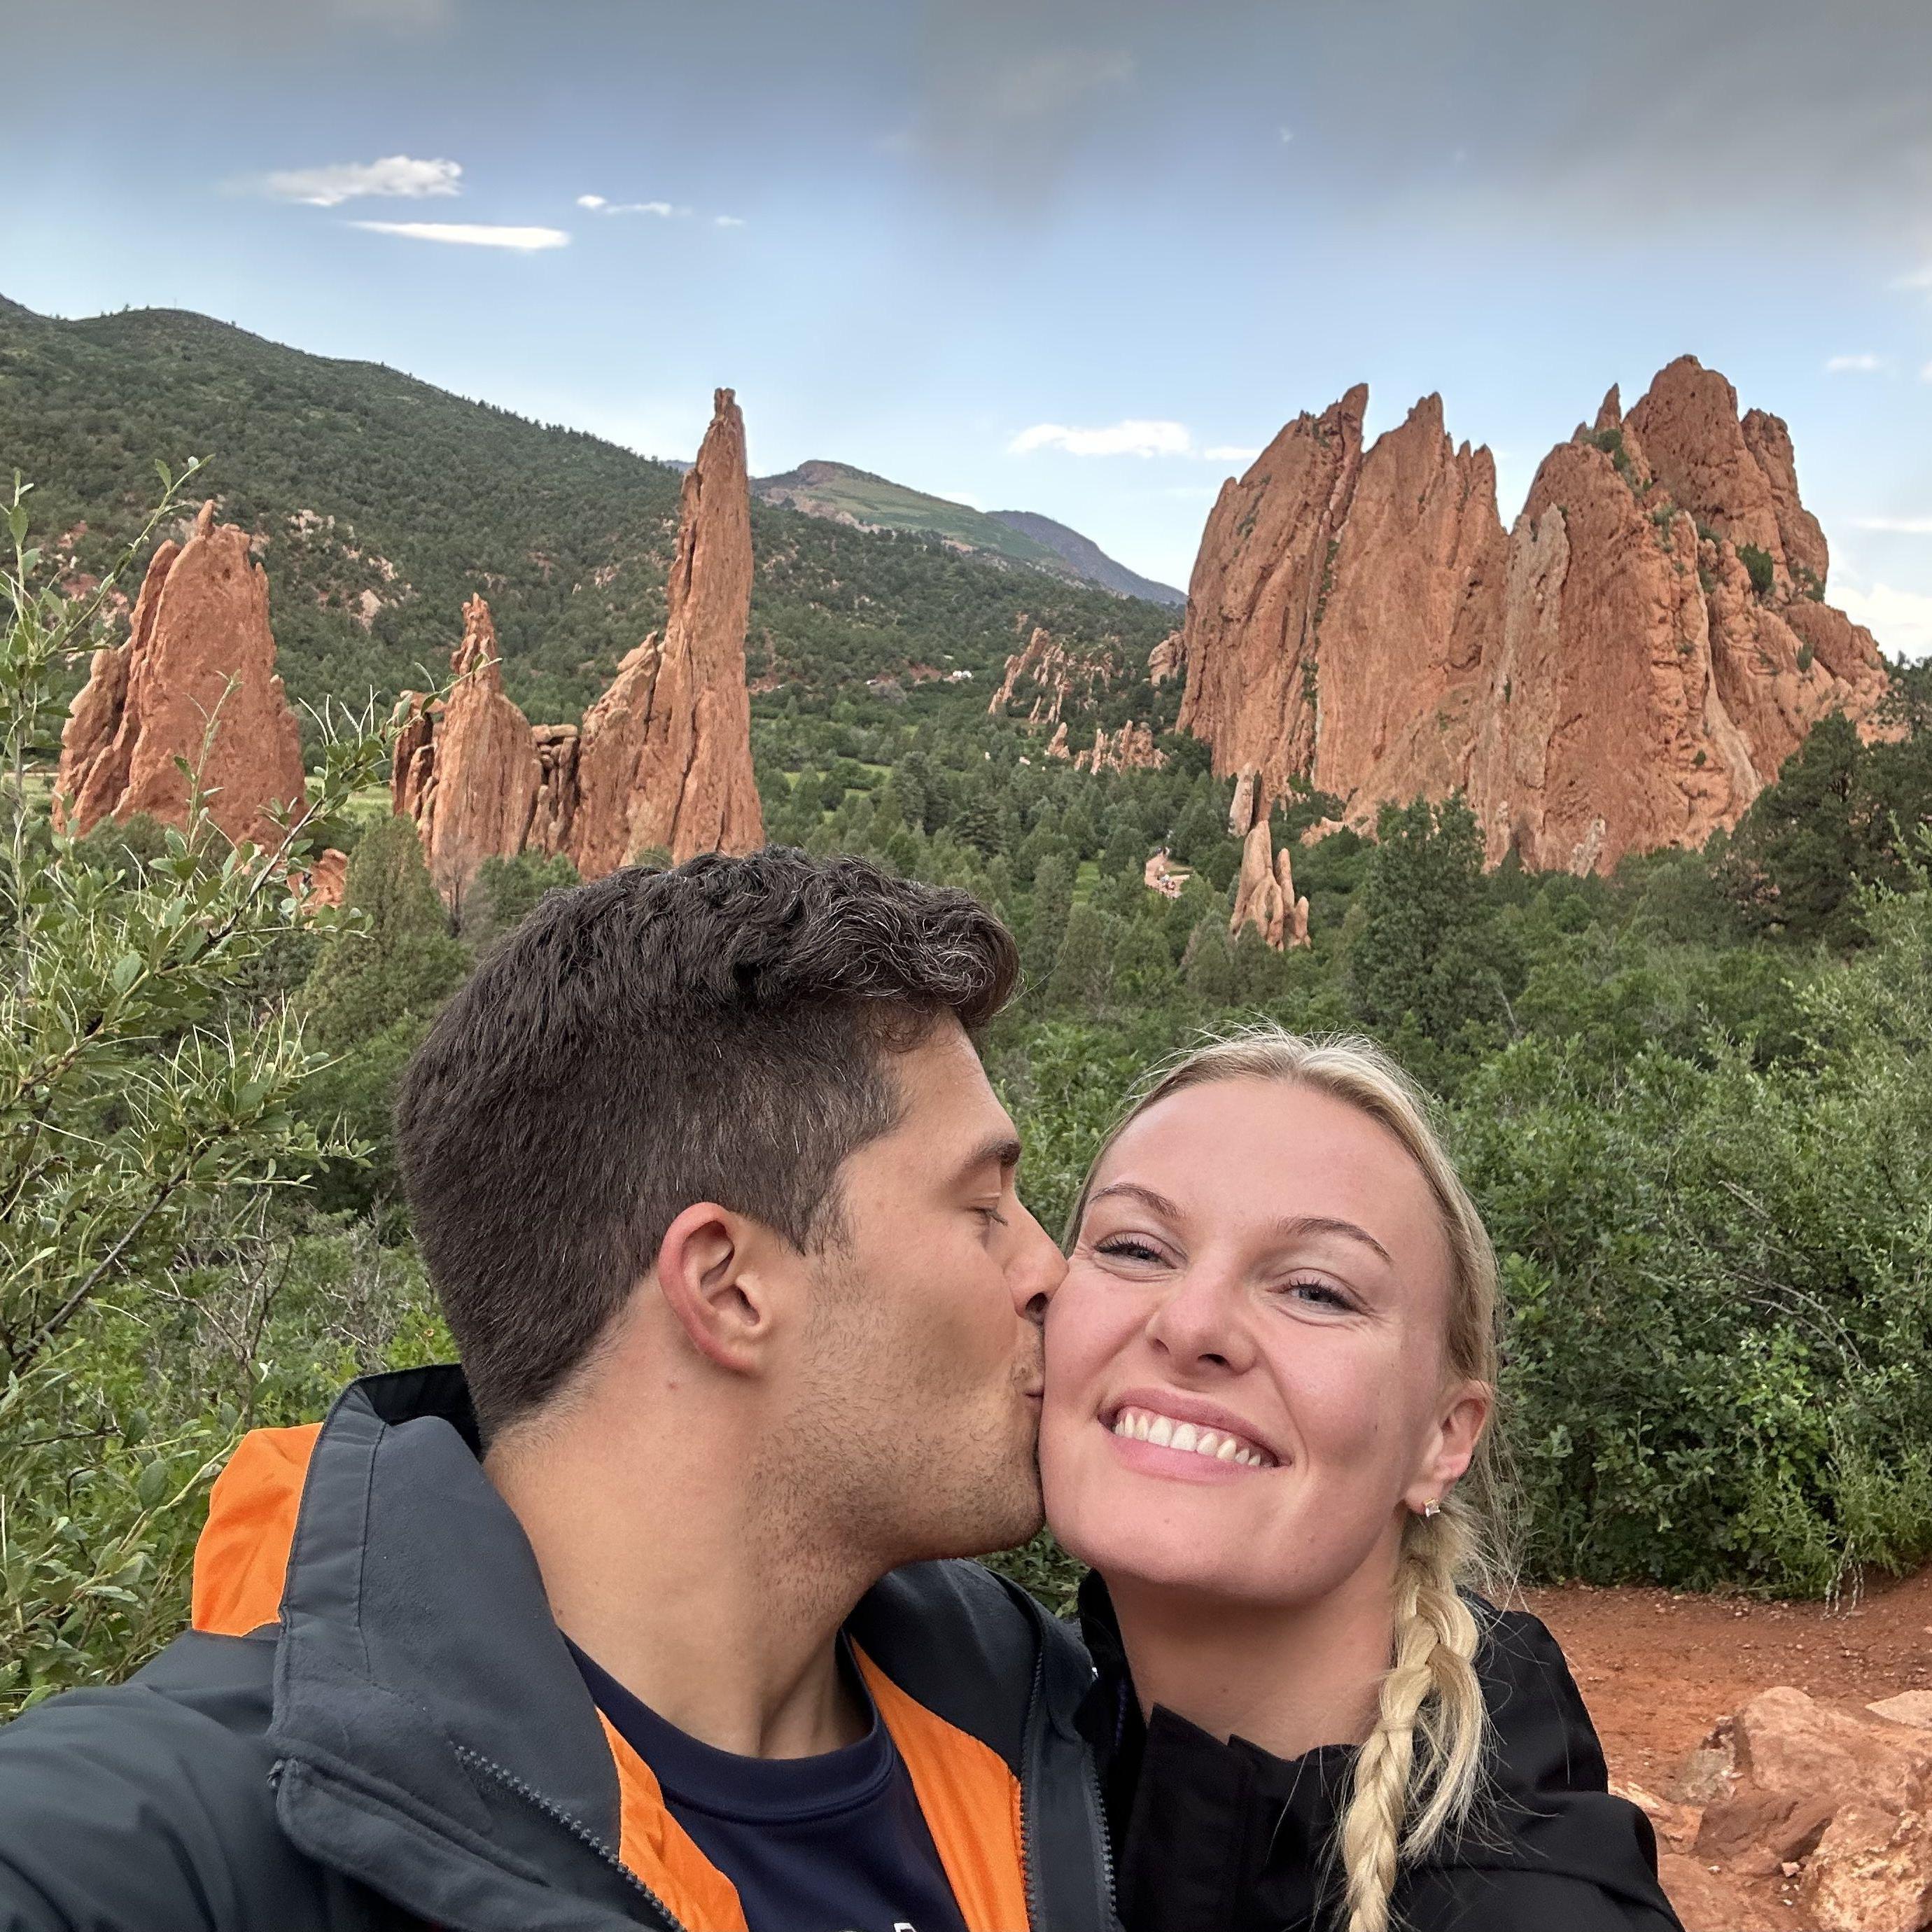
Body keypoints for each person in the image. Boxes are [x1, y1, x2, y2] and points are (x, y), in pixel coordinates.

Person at [0, 850, 1117, 1932]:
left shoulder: (1053, 1735)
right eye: (984, 1208)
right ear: (726, 1288)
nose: (1050, 1274)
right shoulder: (218, 1829)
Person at [1040, 1026, 1683, 1932]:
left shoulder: (1532, 1907)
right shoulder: (994, 1738)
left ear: (1442, 1440)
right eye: (1136, 1248)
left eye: (1315, 1290)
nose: (1190, 1324)